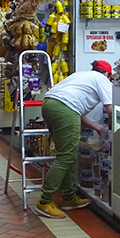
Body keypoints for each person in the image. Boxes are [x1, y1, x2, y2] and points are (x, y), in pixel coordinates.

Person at [34, 60, 113, 219]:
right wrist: (115, 129)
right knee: (66, 157)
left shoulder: (82, 76)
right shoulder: (103, 80)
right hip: (64, 109)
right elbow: (110, 109)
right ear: (107, 74)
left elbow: (76, 112)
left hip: (49, 104)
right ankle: (44, 202)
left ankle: (69, 198)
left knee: (66, 155)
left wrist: (97, 128)